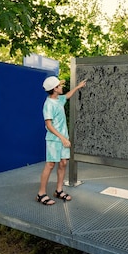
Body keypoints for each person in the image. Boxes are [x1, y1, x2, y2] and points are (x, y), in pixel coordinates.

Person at [36, 75, 86, 205]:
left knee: (63, 163)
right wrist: (62, 138)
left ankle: (59, 190)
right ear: (54, 89)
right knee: (50, 165)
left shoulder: (59, 99)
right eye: (60, 85)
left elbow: (67, 95)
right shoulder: (48, 104)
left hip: (64, 139)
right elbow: (49, 125)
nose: (62, 87)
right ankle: (41, 194)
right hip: (54, 140)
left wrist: (78, 87)